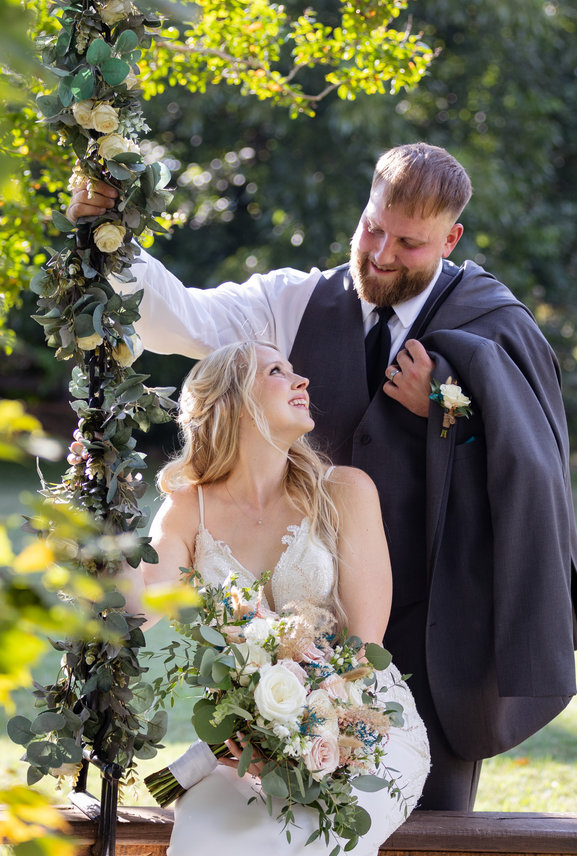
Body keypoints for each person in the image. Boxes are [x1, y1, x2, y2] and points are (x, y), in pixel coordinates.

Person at [69, 142, 577, 810]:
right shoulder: (295, 301)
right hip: (295, 631)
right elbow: (187, 317)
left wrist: (448, 404)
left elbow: (530, 462)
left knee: (430, 831)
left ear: (450, 238)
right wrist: (113, 241)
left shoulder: (493, 318)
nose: (381, 254)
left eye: (409, 243)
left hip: (437, 633)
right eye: (372, 228)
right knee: (264, 815)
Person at [126, 340, 430, 856]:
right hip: (242, 745)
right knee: (207, 838)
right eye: (276, 371)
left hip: (359, 727)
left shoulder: (345, 491)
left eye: (294, 369)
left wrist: (293, 732)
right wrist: (107, 546)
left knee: (300, 841)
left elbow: (364, 645)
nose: (301, 380)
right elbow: (139, 607)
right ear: (234, 402)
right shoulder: (185, 508)